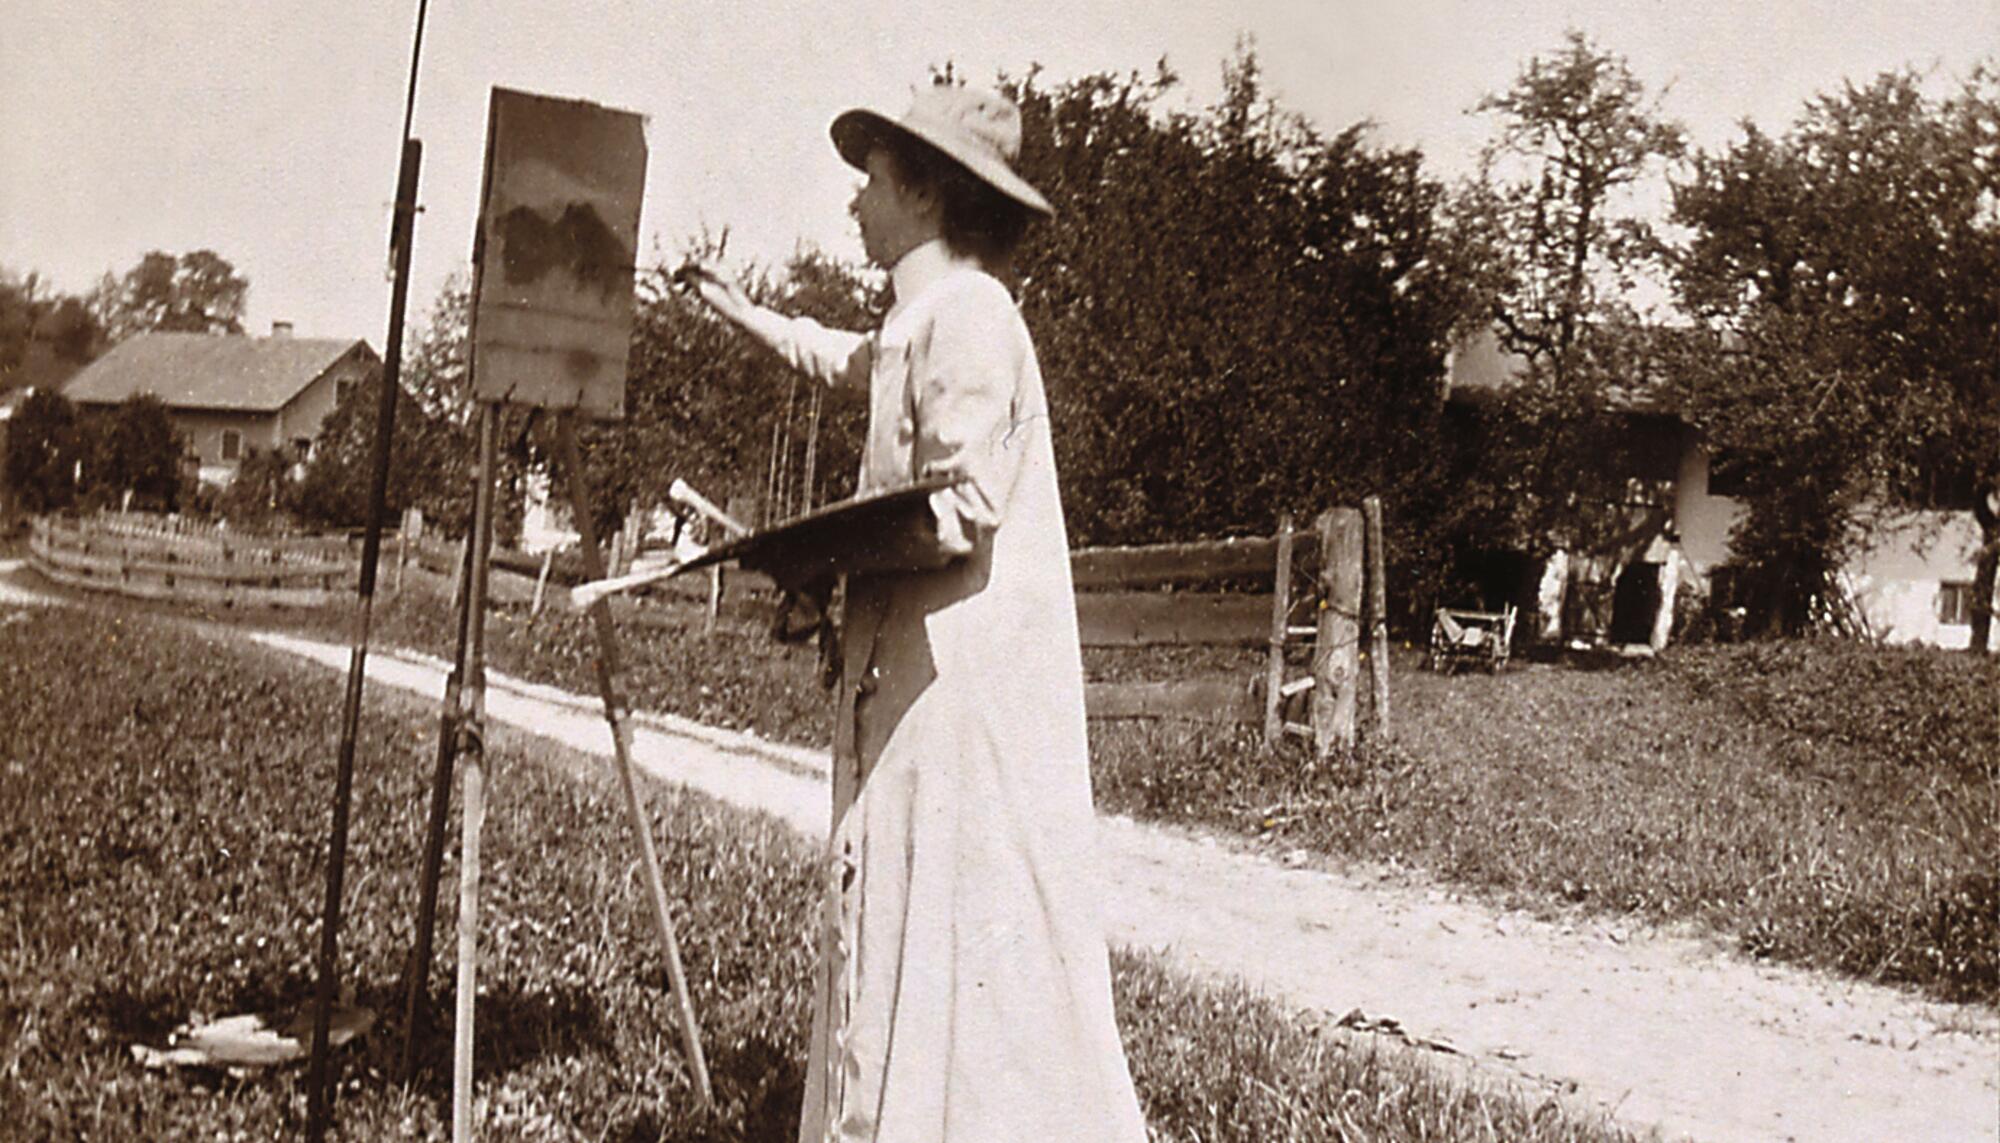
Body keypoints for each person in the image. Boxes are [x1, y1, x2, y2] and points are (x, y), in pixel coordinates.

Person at [682, 83, 1150, 1143]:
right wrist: (732, 305)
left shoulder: (973, 317)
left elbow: (961, 509)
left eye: (872, 184)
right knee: (895, 891)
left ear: (926, 194)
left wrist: (815, 551)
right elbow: (841, 358)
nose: (855, 206)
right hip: (907, 665)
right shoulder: (917, 320)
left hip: (961, 677)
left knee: (952, 899)